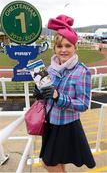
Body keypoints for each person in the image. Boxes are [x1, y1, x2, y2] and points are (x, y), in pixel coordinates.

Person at [33, 14, 96, 172]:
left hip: (67, 126)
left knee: (48, 163)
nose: (63, 50)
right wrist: (40, 94)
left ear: (75, 47)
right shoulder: (49, 69)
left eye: (68, 46)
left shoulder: (82, 71)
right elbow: (47, 96)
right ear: (54, 48)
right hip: (50, 123)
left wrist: (58, 97)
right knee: (56, 163)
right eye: (60, 46)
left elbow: (83, 104)